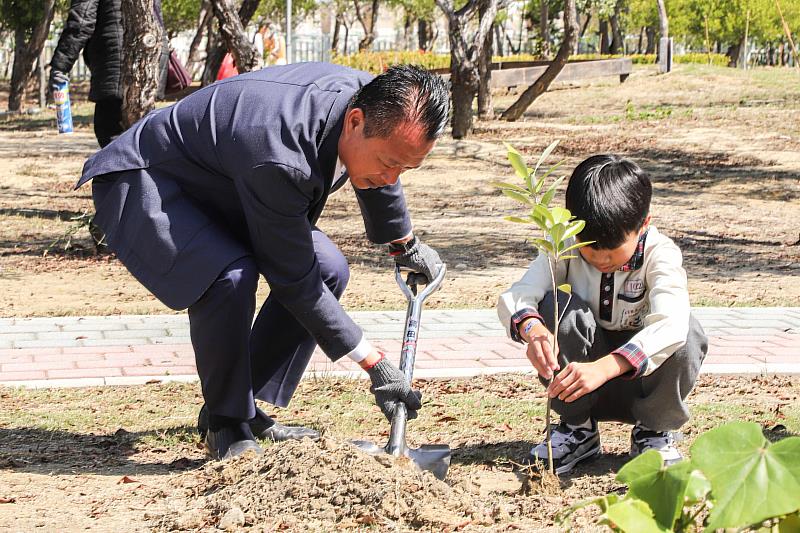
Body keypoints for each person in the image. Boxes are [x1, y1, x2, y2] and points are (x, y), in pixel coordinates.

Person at [75, 63, 450, 460]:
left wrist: (403, 243)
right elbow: (295, 280)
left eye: (405, 168)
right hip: (149, 179)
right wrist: (375, 365)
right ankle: (226, 422)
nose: (392, 178)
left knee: (329, 268)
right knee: (228, 276)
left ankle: (244, 405)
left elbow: (376, 173)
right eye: (390, 163)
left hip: (224, 181)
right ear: (356, 122)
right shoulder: (282, 154)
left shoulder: (372, 100)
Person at [497, 155, 708, 474]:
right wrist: (534, 330)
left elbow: (671, 323)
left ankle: (653, 432)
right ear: (572, 227)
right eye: (589, 246)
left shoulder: (660, 253)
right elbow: (520, 293)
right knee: (554, 307)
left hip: (645, 385)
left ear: (644, 223)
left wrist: (606, 366)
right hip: (578, 387)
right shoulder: (562, 246)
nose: (600, 258)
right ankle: (577, 428)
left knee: (687, 333)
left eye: (613, 249)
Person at [49, 0, 169, 147]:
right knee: (141, 135)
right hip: (151, 57)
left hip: (116, 59)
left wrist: (60, 65)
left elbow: (81, 21)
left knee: (112, 136)